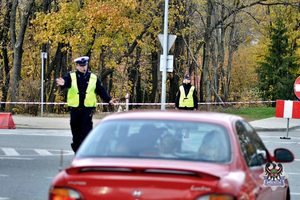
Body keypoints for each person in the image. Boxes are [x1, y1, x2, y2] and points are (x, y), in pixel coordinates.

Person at [56, 56, 115, 153]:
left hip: (87, 110)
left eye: (85, 65)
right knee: (76, 132)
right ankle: (77, 148)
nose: (83, 68)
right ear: (77, 66)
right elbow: (65, 82)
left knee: (86, 132)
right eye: (81, 66)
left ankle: (84, 152)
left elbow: (101, 90)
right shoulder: (71, 76)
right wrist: (63, 83)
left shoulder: (93, 77)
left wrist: (109, 100)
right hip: (75, 109)